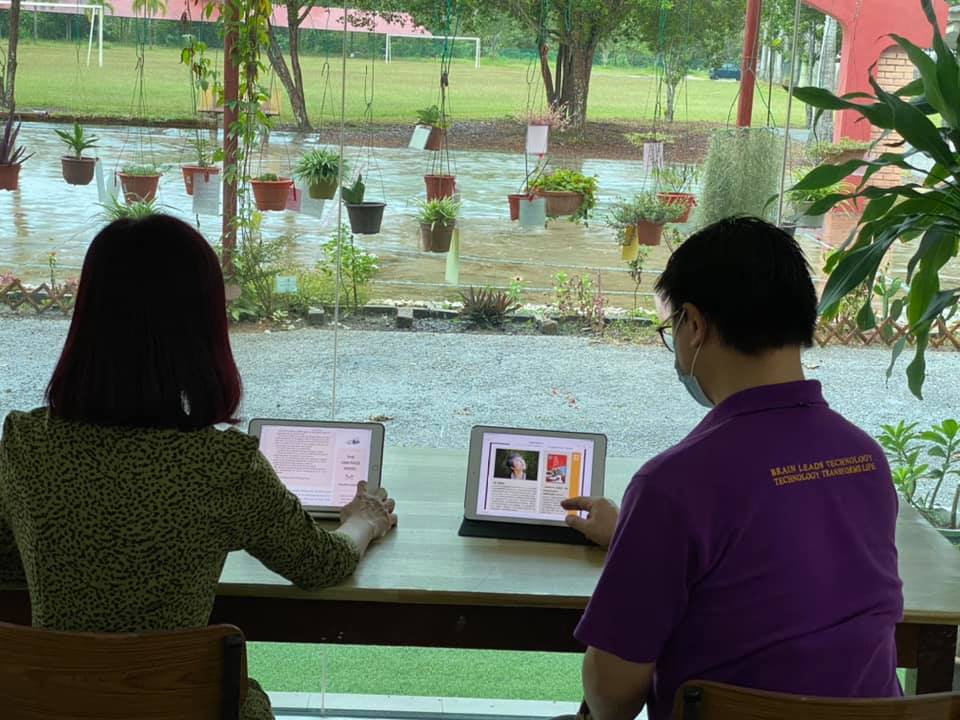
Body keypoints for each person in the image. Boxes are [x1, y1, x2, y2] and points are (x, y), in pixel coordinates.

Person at [0, 215, 397, 720]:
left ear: (88, 317)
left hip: (50, 708)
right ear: (202, 329)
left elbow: (7, 556)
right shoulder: (221, 466)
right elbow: (320, 565)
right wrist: (364, 520)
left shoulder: (25, 442)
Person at [561, 217, 903, 720]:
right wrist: (631, 538)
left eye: (672, 328)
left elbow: (613, 698)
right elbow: (781, 563)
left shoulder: (673, 485)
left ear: (695, 326)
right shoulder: (865, 459)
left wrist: (648, 534)